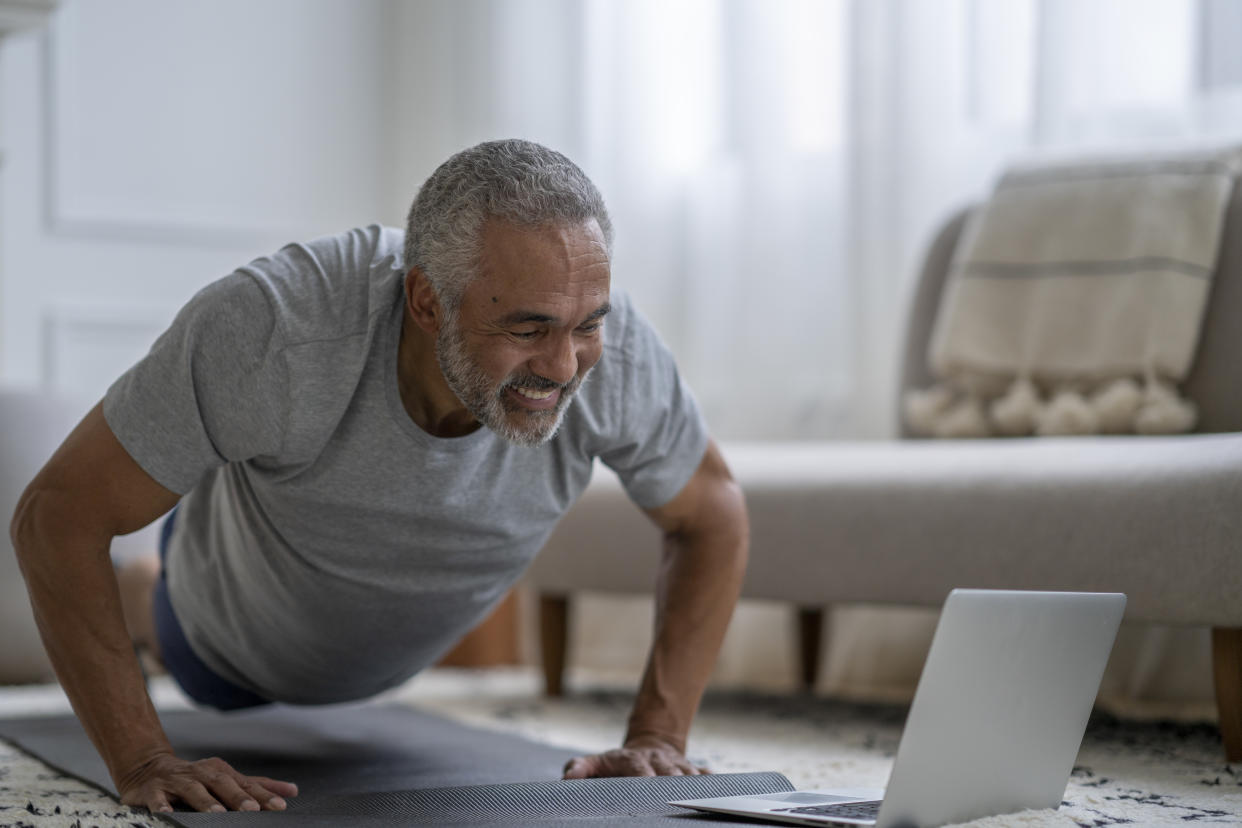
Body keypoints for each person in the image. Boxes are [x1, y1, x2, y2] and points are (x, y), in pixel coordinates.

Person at [11, 139, 749, 815]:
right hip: (224, 639)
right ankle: (153, 587)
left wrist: (659, 732)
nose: (564, 367)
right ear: (426, 301)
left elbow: (712, 511)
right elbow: (54, 517)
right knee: (180, 626)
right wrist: (140, 756)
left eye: (586, 324)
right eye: (526, 329)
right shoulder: (276, 327)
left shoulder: (616, 359)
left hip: (384, 663)